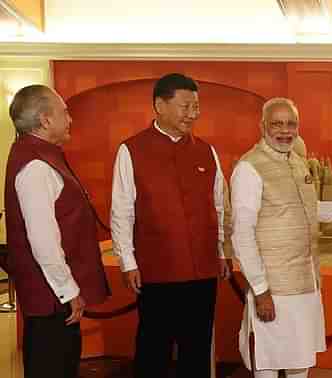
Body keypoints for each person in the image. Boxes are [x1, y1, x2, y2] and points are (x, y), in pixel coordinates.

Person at [231, 97, 332, 378]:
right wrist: (261, 289)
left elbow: (307, 209)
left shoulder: (298, 164)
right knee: (268, 362)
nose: (285, 130)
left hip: (306, 285)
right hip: (274, 289)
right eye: (277, 124)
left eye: (291, 124)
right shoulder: (249, 168)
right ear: (262, 126)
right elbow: (242, 234)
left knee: (300, 361)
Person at [110, 73, 230, 378]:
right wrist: (127, 261)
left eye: (196, 106)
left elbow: (218, 206)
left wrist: (221, 250)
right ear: (159, 105)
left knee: (198, 347)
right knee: (154, 347)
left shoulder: (206, 151)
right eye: (185, 106)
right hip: (157, 269)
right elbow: (122, 211)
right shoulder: (131, 150)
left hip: (202, 268)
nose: (193, 114)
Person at [4, 84, 110, 378]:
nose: (70, 119)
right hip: (51, 299)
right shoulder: (35, 165)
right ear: (45, 120)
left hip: (53, 298)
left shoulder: (40, 155)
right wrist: (68, 291)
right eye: (64, 112)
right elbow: (42, 239)